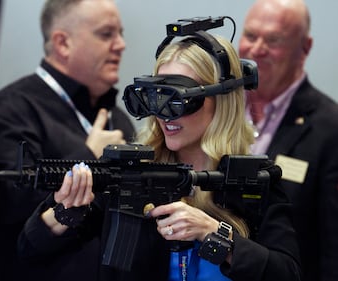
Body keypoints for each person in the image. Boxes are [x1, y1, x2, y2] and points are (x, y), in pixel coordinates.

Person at [18, 28, 302, 280]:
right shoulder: (130, 175)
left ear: (221, 100)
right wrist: (64, 211)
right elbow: (29, 249)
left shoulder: (252, 182)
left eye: (178, 100)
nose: (164, 114)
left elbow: (286, 272)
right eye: (156, 97)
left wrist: (214, 233)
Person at [0, 0, 135, 280]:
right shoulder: (12, 108)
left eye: (120, 34)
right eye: (106, 34)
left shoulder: (120, 118)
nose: (120, 45)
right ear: (62, 43)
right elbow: (5, 200)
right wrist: (87, 156)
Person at [238, 1, 338, 280]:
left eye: (273, 40)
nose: (257, 49)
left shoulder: (329, 128)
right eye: (250, 36)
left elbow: (333, 246)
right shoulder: (216, 111)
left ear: (304, 49)